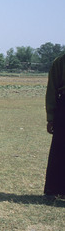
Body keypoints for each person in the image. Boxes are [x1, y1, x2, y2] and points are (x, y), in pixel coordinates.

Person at [44, 54, 65, 199]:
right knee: (60, 148)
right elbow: (52, 89)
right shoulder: (60, 61)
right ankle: (54, 189)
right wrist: (51, 117)